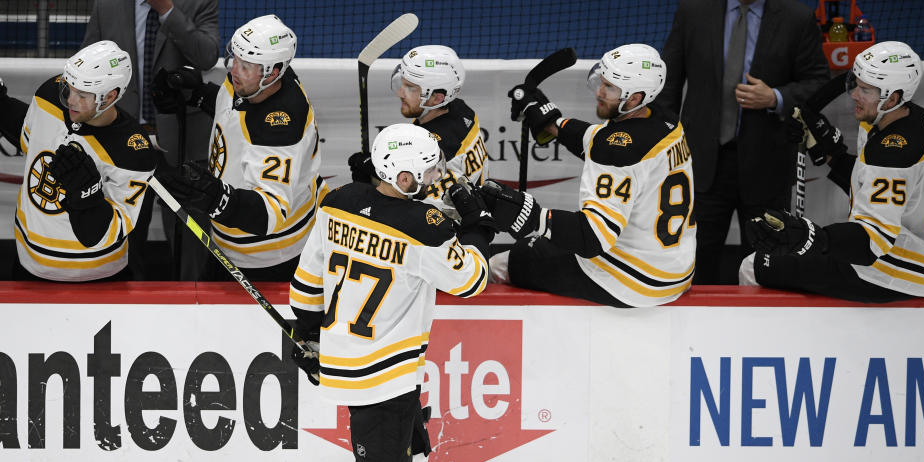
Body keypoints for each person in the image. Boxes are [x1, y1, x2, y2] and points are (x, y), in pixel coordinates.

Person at [289, 123, 493, 462]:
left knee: (413, 459)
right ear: (399, 174)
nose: (430, 177)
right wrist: (477, 226)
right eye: (422, 171)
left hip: (369, 362)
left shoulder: (337, 202)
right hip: (380, 371)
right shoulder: (425, 225)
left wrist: (307, 335)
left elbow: (307, 279)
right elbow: (471, 280)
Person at [742, 41, 924, 301]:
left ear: (892, 97)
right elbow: (884, 188)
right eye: (856, 84)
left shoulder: (892, 153)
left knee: (752, 266)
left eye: (865, 90)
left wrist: (810, 237)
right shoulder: (912, 117)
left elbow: (872, 243)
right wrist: (835, 157)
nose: (854, 94)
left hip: (905, 268)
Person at [485, 44, 695, 307]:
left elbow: (593, 238)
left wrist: (529, 215)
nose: (599, 92)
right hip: (676, 270)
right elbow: (603, 141)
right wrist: (553, 123)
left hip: (630, 281)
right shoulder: (666, 121)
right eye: (602, 82)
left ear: (635, 98)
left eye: (609, 88)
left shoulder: (616, 149)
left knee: (503, 263)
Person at [656, 0, 830, 284]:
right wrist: (664, 144)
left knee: (766, 265)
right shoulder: (694, 10)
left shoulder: (797, 18)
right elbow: (669, 83)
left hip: (767, 165)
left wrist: (776, 97)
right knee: (693, 263)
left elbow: (819, 82)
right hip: (702, 164)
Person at [158, 14, 328, 282]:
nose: (235, 70)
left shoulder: (278, 126)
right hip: (228, 242)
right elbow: (235, 113)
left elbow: (270, 214)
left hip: (270, 258)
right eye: (235, 59)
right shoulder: (253, 84)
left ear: (272, 72)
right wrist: (198, 94)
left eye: (245, 66)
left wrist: (215, 197)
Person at [83, 0, 219, 280]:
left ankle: (191, 305)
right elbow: (87, 70)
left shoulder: (198, 2)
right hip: (121, 138)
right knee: (123, 234)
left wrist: (167, 10)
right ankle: (126, 304)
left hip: (183, 139)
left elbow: (207, 56)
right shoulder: (107, 5)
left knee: (189, 236)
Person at [0, 41, 156, 281]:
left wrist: (86, 194)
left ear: (109, 97)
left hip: (96, 276)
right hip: (28, 264)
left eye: (82, 95)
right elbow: (28, 139)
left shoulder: (133, 150)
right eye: (68, 88)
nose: (70, 100)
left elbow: (109, 233)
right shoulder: (49, 96)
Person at [350, 45, 488, 210]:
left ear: (437, 98)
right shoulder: (460, 109)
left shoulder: (432, 149)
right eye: (403, 84)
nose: (400, 93)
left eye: (410, 88)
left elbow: (407, 198)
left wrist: (372, 169)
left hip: (447, 228)